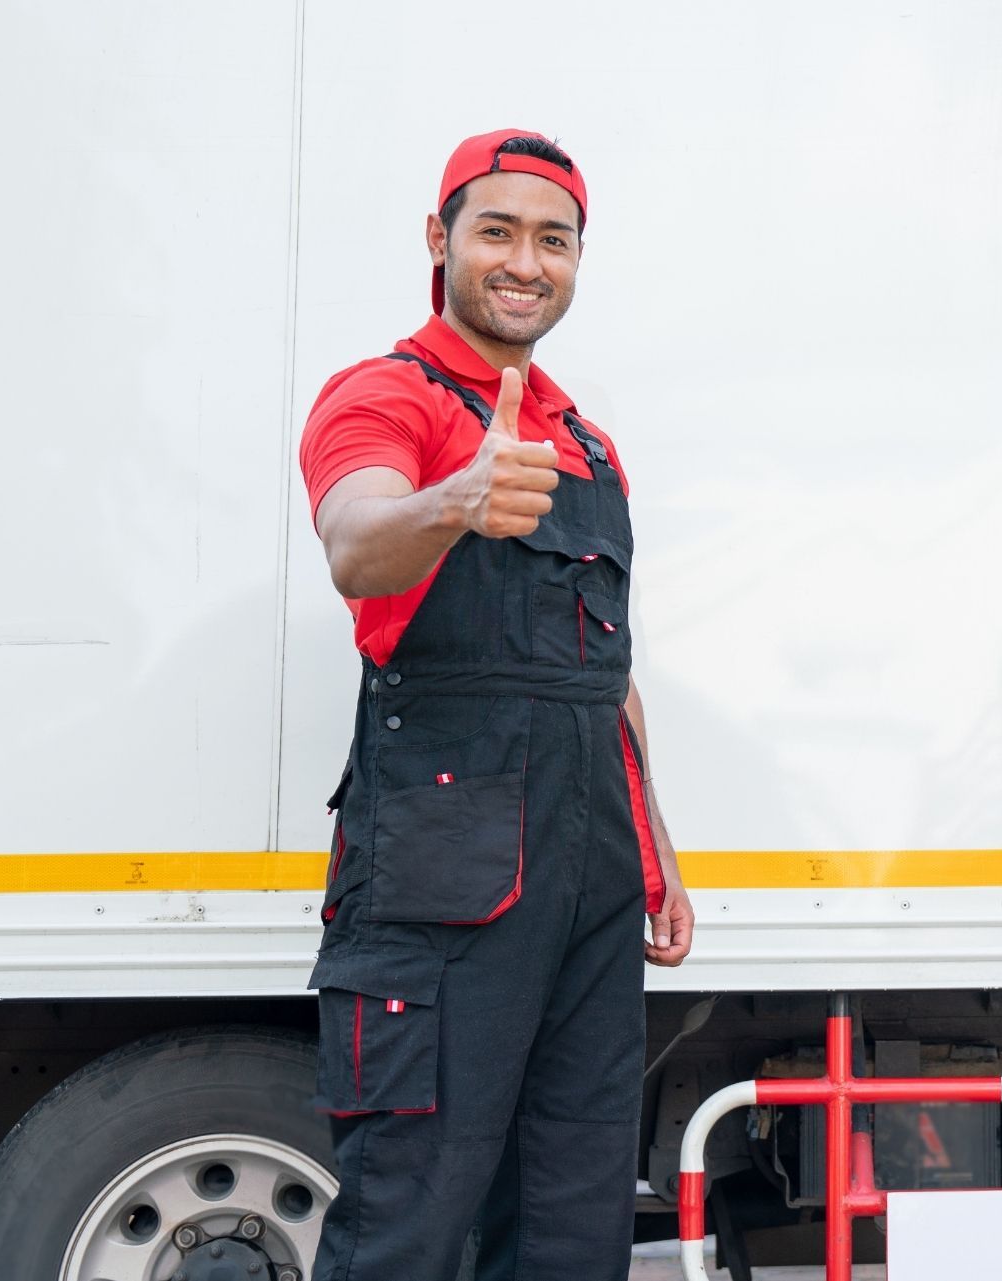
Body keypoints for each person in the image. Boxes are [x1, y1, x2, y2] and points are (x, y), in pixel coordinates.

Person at [297, 128, 694, 1280]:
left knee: (574, 1221)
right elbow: (354, 543)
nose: (527, 262)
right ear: (442, 241)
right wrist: (459, 498)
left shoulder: (586, 443)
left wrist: (654, 841)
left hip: (592, 880)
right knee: (408, 1221)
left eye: (554, 240)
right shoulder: (386, 398)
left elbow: (604, 671)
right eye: (499, 232)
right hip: (442, 886)